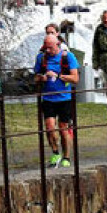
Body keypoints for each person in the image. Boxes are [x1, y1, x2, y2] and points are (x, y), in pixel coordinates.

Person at [34, 34, 79, 168]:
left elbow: (75, 79)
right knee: (49, 128)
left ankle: (67, 156)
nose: (47, 51)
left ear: (57, 45)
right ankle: (55, 152)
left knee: (63, 129)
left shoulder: (67, 57)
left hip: (64, 98)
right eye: (45, 48)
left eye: (50, 48)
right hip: (48, 98)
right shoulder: (41, 58)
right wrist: (42, 78)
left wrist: (58, 76)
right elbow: (35, 77)